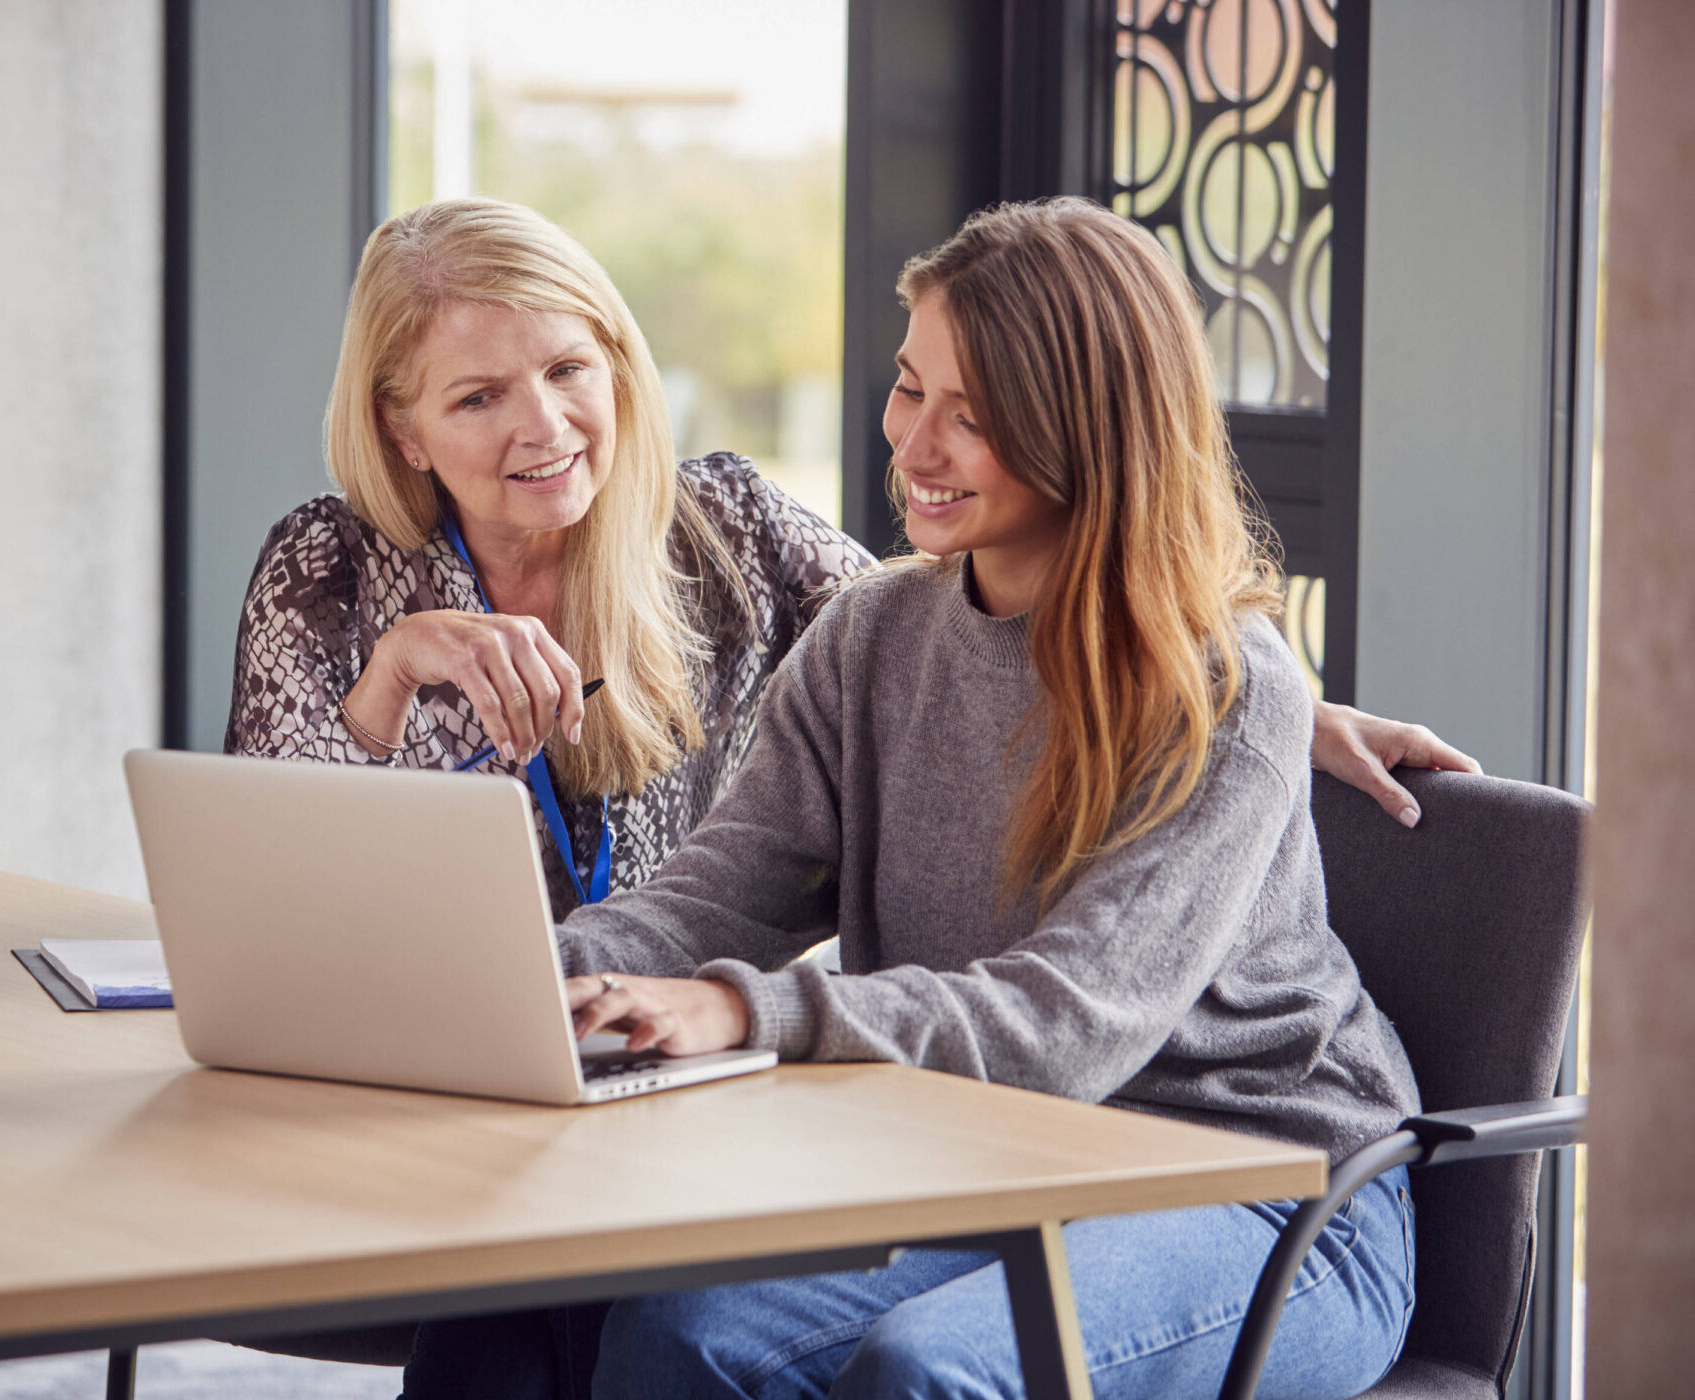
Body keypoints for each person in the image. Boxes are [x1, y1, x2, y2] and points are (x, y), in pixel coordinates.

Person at [536, 198, 1424, 1399]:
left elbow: (1065, 1023)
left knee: (928, 1373)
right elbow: (715, 895)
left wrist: (747, 1010)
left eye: (978, 416)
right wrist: (535, 977)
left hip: (1270, 1192)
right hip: (1002, 1164)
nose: (914, 447)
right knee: (676, 1330)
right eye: (911, 390)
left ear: (1090, 431)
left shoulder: (1224, 683)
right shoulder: (874, 635)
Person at [225, 197, 1475, 929]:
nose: (544, 428)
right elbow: (266, 901)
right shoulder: (327, 573)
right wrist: (387, 683)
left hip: (661, 1064)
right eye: (481, 396)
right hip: (443, 1057)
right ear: (401, 426)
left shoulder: (723, 528)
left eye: (569, 371)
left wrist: (1269, 704)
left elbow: (974, 625)